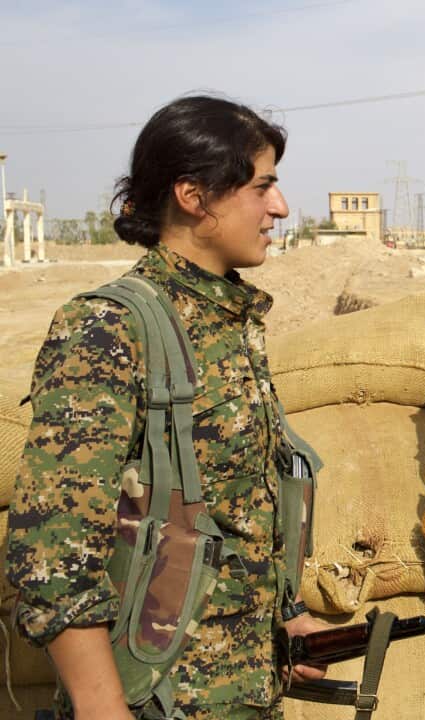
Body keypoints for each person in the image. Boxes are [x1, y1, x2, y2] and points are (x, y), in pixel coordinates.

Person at [5, 95, 327, 720]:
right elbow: (51, 553)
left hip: (242, 693)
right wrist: (102, 707)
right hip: (157, 702)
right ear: (194, 195)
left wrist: (285, 617)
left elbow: (226, 519)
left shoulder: (229, 321)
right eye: (263, 187)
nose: (280, 208)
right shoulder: (111, 327)